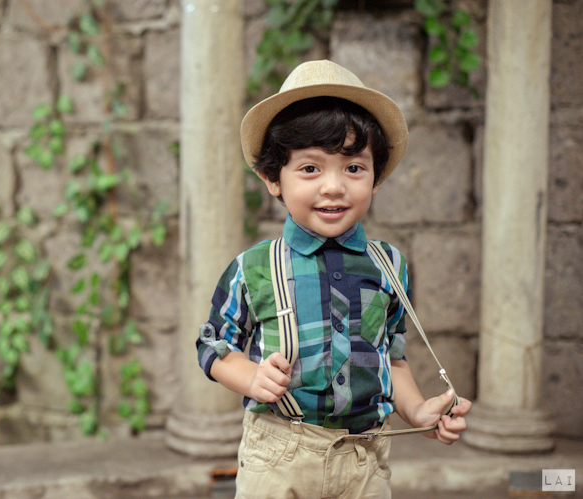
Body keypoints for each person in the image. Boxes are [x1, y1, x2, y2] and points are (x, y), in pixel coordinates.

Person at [196, 60, 472, 499]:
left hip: (365, 460)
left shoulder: (390, 264)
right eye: (310, 169)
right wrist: (251, 378)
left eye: (353, 168)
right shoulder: (254, 267)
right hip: (279, 456)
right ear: (273, 178)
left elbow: (392, 358)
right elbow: (213, 345)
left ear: (375, 178)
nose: (333, 186)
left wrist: (418, 410)